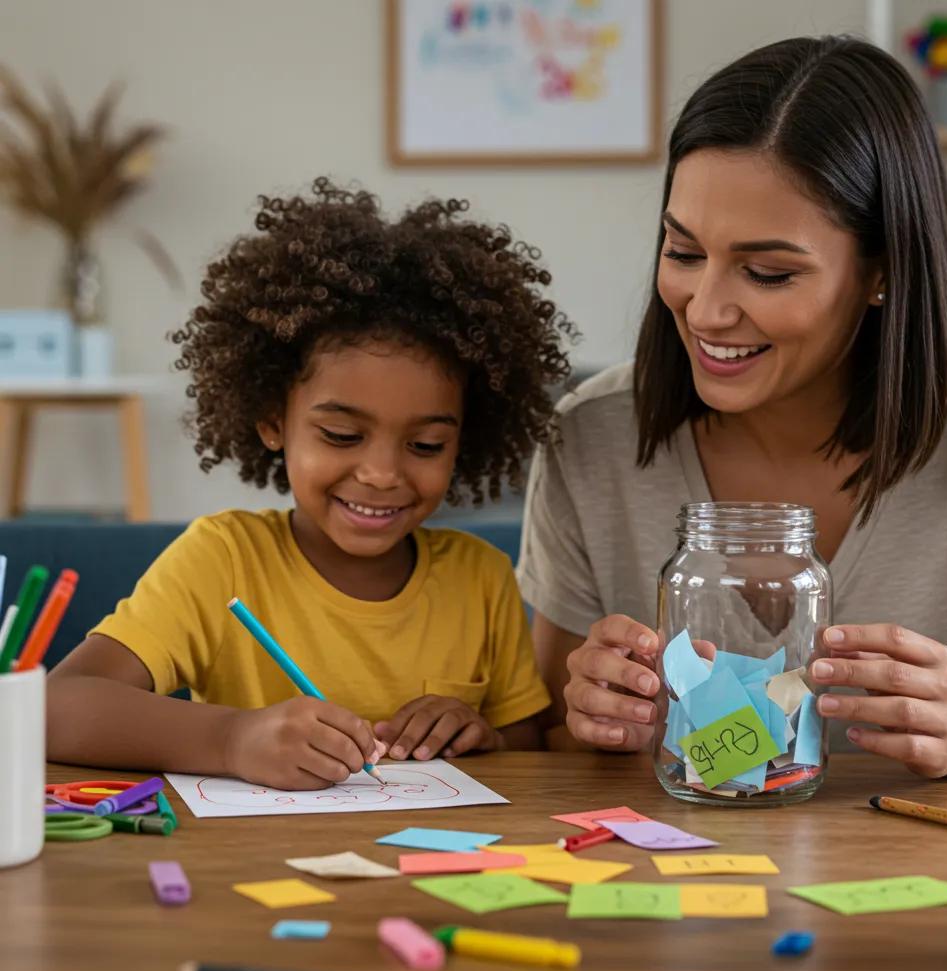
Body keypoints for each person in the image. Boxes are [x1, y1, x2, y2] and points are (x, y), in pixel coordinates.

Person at [518, 35, 947, 778]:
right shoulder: (589, 437)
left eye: (765, 272)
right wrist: (598, 717)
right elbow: (549, 741)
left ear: (881, 272)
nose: (707, 311)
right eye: (683, 253)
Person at [47, 179, 572, 789]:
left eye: (425, 445)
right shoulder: (223, 559)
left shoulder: (481, 579)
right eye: (342, 436)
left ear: (465, 440)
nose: (381, 473)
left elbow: (530, 747)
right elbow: (60, 706)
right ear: (274, 420)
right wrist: (231, 739)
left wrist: (481, 735)